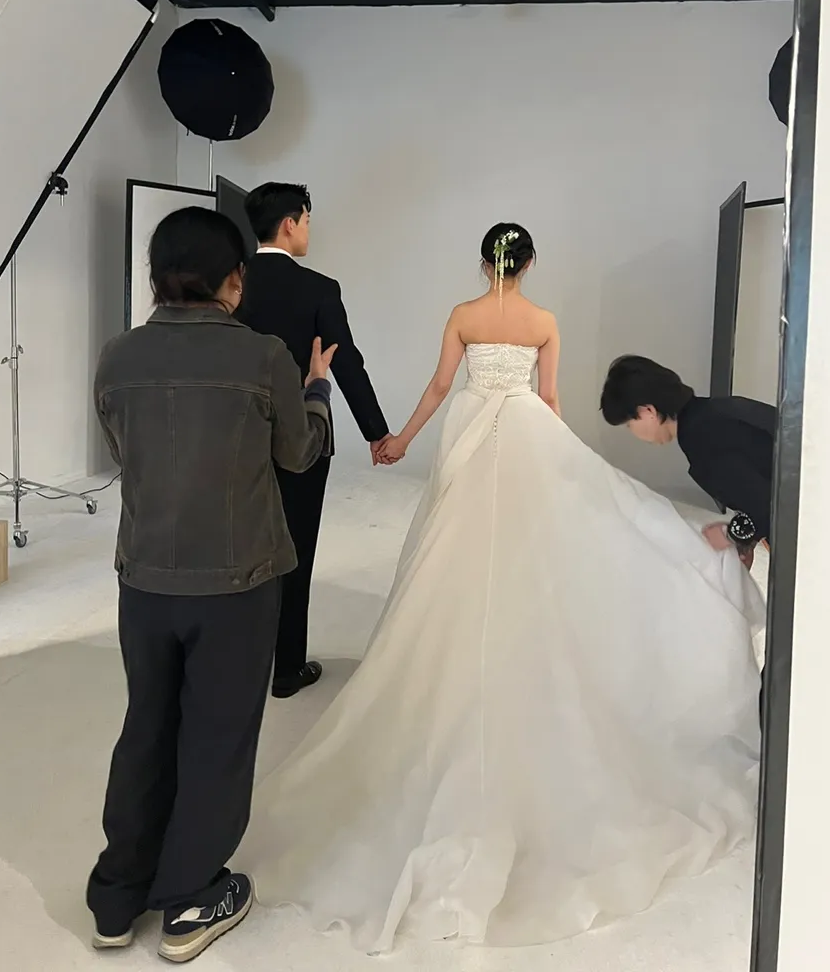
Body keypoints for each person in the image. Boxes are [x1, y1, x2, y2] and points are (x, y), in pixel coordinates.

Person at [245, 225, 763, 952]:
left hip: (469, 433)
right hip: (522, 437)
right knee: (524, 553)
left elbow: (439, 386)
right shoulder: (543, 320)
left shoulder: (463, 314)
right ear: (528, 264)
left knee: (451, 553)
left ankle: (447, 665)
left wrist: (399, 439)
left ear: (482, 261)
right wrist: (563, 467)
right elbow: (548, 400)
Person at [87, 207, 335, 964]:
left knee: (147, 725)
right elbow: (298, 455)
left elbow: (123, 451)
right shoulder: (262, 356)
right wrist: (316, 391)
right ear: (234, 278)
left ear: (156, 276)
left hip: (145, 581)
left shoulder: (118, 356)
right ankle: (192, 896)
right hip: (238, 581)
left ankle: (116, 898)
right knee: (217, 736)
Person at [237, 182, 391, 699]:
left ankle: (238, 661)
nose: (308, 230)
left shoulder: (230, 282)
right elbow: (345, 363)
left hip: (235, 438)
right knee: (294, 550)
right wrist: (377, 432)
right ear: (290, 223)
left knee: (238, 545)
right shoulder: (320, 288)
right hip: (301, 436)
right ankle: (287, 669)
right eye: (306, 220)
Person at [598, 355, 776, 568]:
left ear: (647, 411)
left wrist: (729, 535)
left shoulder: (701, 441)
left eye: (629, 425)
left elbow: (768, 507)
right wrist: (746, 538)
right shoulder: (716, 411)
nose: (633, 433)